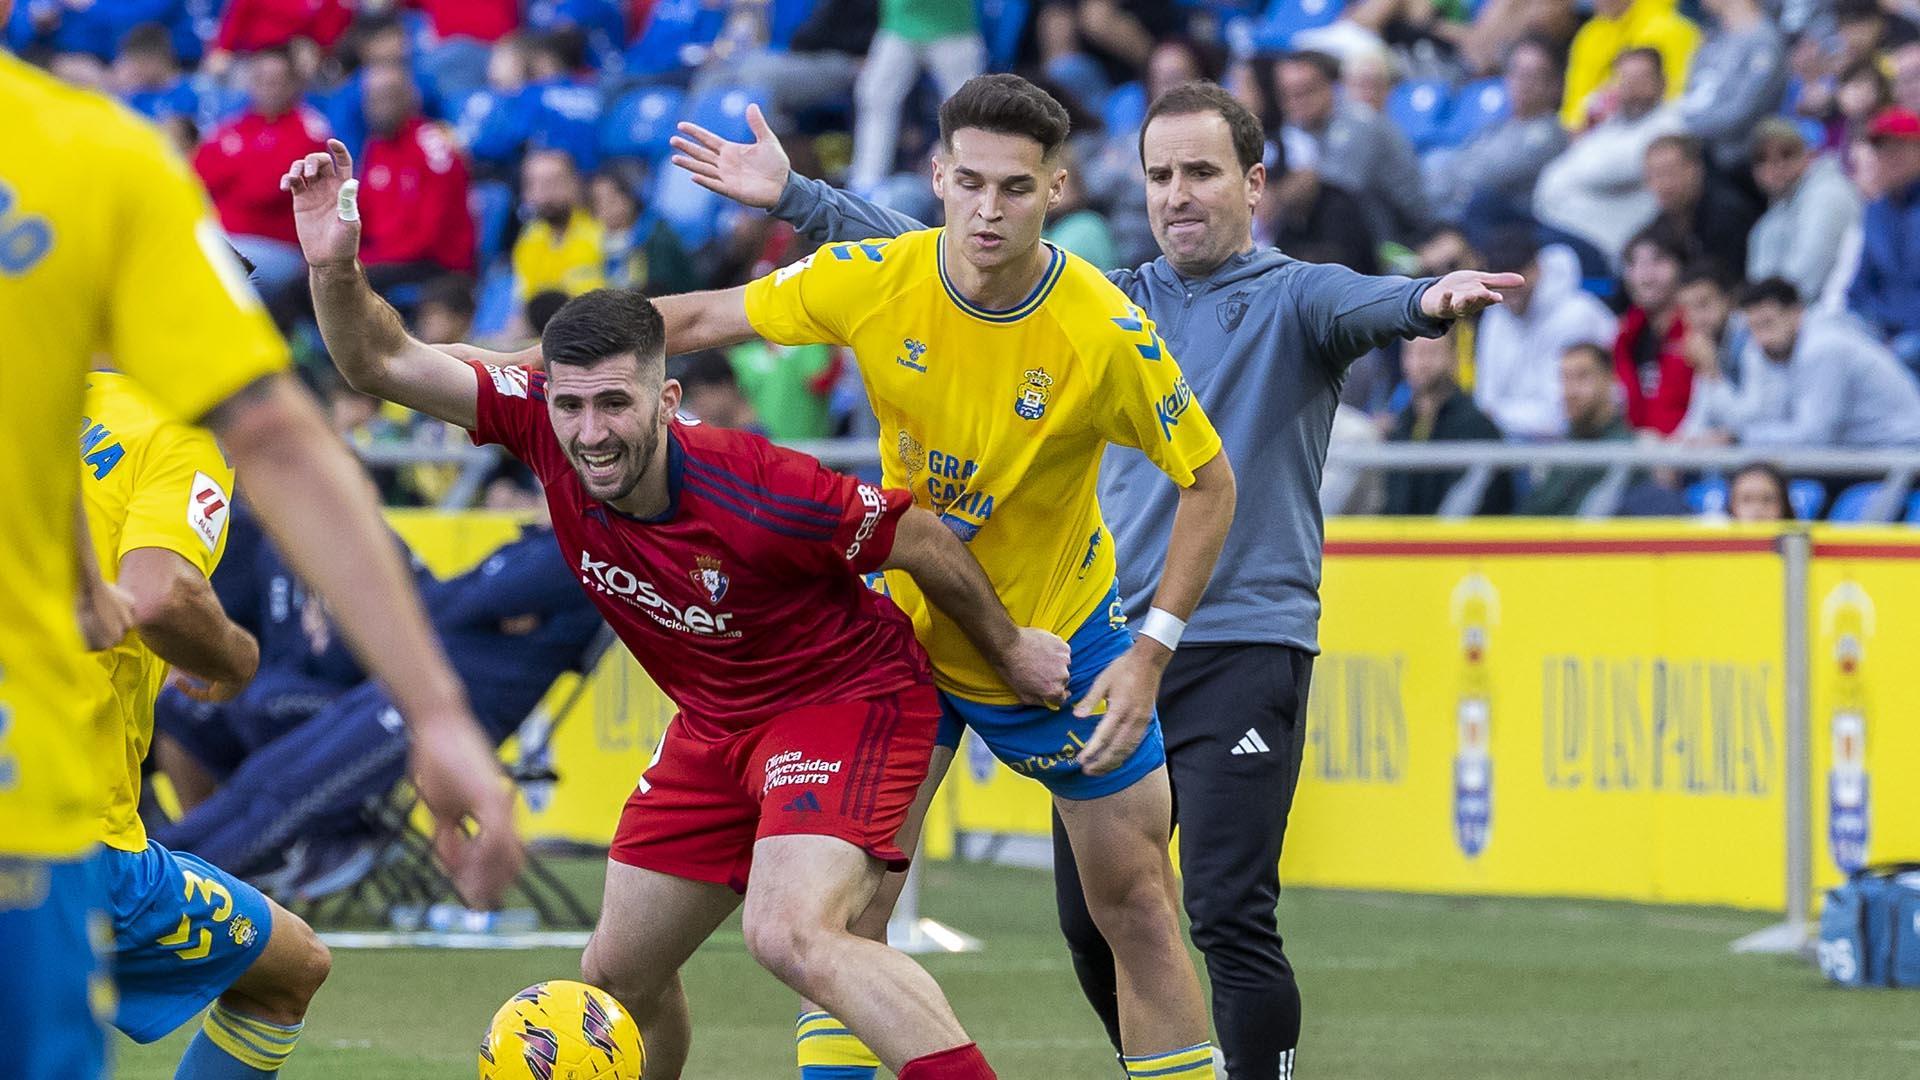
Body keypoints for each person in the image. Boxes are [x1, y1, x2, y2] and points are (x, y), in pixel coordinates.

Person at [664, 77, 1518, 1080]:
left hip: (1227, 635)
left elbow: (1361, 299)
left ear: (1254, 182)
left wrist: (1425, 302)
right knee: (1052, 922)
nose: (1179, 193)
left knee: (1216, 909)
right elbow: (938, 252)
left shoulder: (1285, 295)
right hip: (1040, 635)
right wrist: (802, 198)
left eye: (1202, 172)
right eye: (1161, 174)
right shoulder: (1120, 294)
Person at [287, 137, 1073, 1080]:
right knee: (616, 974)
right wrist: (335, 267)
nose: (588, 433)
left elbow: (924, 540)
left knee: (788, 935)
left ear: (664, 399)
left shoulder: (763, 489)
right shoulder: (544, 419)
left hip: (846, 700)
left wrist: (1011, 647)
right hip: (714, 725)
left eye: (613, 405)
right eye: (571, 407)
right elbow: (379, 361)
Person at [667, 73, 1245, 1080]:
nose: (988, 210)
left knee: (1138, 909)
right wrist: (483, 376)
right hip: (902, 648)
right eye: (969, 183)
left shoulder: (1100, 332)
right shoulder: (874, 275)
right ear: (936, 177)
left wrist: (1152, 654)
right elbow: (697, 319)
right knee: (850, 917)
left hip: (1069, 647)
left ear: (1055, 189)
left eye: (1015, 189)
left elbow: (1211, 484)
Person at [0, 39, 516, 1080]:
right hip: (49, 822)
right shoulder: (95, 173)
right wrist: (248, 666)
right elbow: (167, 583)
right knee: (288, 970)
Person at [76, 371, 337, 1075]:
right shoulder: (173, 422)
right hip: (63, 831)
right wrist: (236, 658)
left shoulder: (29, 408)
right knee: (289, 971)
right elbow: (161, 598)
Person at [156, 521, 606, 895]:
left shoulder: (580, 552)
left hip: (450, 715)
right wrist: (476, 609)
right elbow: (453, 604)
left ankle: (168, 890)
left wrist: (472, 605)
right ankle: (151, 865)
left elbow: (455, 603)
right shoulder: (539, 542)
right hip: (404, 690)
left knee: (287, 795)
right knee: (263, 777)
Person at [1698, 278, 1920, 448]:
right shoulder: (1769, 349)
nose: (1761, 338)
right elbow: (1763, 416)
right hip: (1861, 452)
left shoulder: (1823, 348)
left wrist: (1739, 438)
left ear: (1797, 313)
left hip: (1902, 449)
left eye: (1768, 323)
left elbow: (1814, 437)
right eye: (1754, 328)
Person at [192, 46, 333, 303]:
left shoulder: (309, 129)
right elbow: (196, 179)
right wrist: (245, 168)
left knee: (221, 268)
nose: (267, 88)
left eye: (275, 81)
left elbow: (266, 189)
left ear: (293, 84)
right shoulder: (234, 125)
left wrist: (233, 170)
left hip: (279, 247)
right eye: (260, 80)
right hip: (226, 238)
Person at [1532, 48, 1686, 264]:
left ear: (1662, 82)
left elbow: (1603, 171)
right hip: (1566, 230)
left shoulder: (1670, 123)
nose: (1632, 89)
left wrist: (1582, 149)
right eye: (1625, 80)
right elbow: (1560, 169)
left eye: (1640, 79)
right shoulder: (1614, 124)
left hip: (1607, 244)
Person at [1277, 50, 1439, 250]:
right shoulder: (1302, 131)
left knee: (1337, 205)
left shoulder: (1356, 122)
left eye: (1305, 92)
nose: (1295, 103)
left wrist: (1279, 196)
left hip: (1409, 234)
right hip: (1373, 225)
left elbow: (1336, 189)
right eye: (1286, 95)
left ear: (1330, 87)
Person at [1471, 229, 1619, 439]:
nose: (1508, 292)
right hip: (1511, 443)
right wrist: (1493, 416)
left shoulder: (1578, 314)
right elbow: (1485, 400)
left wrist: (1496, 415)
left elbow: (1562, 415)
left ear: (1537, 268)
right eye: (1501, 283)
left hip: (1583, 439)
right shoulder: (1495, 317)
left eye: (1515, 279)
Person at [356, 61, 475, 289]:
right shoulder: (376, 146)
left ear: (411, 96)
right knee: (309, 283)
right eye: (372, 99)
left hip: (437, 265)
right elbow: (363, 215)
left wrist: (370, 259)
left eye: (388, 96)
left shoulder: (432, 147)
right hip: (388, 260)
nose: (379, 106)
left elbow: (433, 234)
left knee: (346, 286)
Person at [1425, 36, 1569, 223]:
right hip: (1451, 211)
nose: (1522, 83)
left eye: (1533, 76)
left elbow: (1486, 178)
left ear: (1555, 85)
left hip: (1496, 230)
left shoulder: (1548, 135)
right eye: (1516, 72)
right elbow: (1456, 164)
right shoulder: (1498, 125)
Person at [849, 0, 987, 194]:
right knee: (875, 97)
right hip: (898, 26)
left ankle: (969, 181)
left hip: (953, 27)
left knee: (968, 109)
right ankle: (865, 185)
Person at [1382, 329, 1514, 515]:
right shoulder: (1400, 425)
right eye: (1412, 352)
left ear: (1453, 358)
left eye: (1431, 352)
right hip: (1402, 540)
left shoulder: (1477, 426)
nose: (1420, 363)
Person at [1746, 118, 1862, 302]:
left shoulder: (1828, 194)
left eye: (1786, 154)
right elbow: (1759, 282)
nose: (1774, 166)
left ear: (1810, 155)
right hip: (1790, 313)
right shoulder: (1776, 212)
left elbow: (1806, 280)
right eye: (1762, 159)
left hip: (1832, 311)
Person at [1519, 344, 1636, 514]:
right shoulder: (1566, 446)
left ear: (1610, 379)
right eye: (1565, 378)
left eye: (1583, 377)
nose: (1571, 391)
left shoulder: (1625, 452)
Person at [1846, 107, 1920, 371]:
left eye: (1899, 147)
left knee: (1900, 355)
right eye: (1882, 149)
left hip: (1910, 334)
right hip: (1882, 330)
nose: (1890, 157)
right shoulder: (1876, 212)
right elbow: (1859, 288)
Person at [1677, 0, 1786, 171]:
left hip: (1741, 162)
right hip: (1704, 155)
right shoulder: (1712, 38)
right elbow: (1690, 97)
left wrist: (1689, 129)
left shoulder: (1763, 40)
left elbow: (1743, 110)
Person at [1559, 0, 1699, 132]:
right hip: (1601, 134)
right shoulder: (1590, 35)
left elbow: (1675, 96)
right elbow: (1573, 107)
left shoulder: (1671, 29)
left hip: (1659, 124)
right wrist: (1577, 126)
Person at [1613, 223, 1696, 434]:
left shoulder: (1701, 329)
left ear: (1682, 267)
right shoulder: (1622, 336)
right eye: (1634, 264)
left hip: (1691, 456)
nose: (1645, 277)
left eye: (1658, 261)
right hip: (1637, 455)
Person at [1641, 132, 1761, 271]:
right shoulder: (1657, 229)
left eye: (1670, 171)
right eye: (1655, 175)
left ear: (1696, 169)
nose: (1664, 184)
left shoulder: (1728, 215)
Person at [512, 148, 606, 304]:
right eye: (536, 185)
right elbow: (522, 303)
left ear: (575, 183)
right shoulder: (529, 238)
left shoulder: (601, 233)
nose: (546, 194)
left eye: (554, 183)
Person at [1725, 462, 1791, 522]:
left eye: (1767, 499)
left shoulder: (1797, 534)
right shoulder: (1717, 533)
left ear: (1784, 505)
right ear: (1732, 505)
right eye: (1747, 499)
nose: (1757, 509)